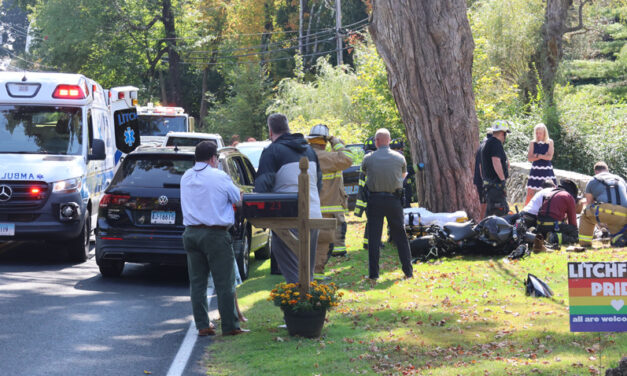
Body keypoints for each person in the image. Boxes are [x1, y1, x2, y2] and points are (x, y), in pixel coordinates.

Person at [180, 141, 248, 336]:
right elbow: (237, 199)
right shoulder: (219, 176)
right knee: (224, 281)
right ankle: (230, 325)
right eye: (216, 159)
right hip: (215, 233)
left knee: (197, 282)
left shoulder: (186, 176)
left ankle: (202, 324)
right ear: (212, 158)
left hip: (191, 232)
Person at [255, 113, 322, 284]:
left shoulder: (272, 151)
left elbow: (263, 187)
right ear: (288, 128)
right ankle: (310, 304)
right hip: (314, 214)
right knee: (307, 268)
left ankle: (299, 307)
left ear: (270, 131)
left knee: (293, 270)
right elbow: (319, 185)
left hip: (288, 216)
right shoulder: (310, 151)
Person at [360, 128, 413, 282]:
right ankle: (408, 271)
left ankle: (374, 274)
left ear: (376, 141)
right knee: (401, 237)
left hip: (374, 200)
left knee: (374, 238)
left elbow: (365, 173)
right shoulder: (399, 158)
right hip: (393, 200)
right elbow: (403, 176)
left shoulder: (368, 158)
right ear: (389, 141)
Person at [306, 124, 353, 280]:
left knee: (314, 243)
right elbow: (348, 158)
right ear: (323, 141)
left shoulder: (306, 155)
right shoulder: (324, 157)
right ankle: (317, 277)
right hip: (324, 210)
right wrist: (335, 141)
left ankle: (313, 275)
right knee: (322, 243)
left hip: (313, 207)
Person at [578, 162, 627, 247]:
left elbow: (589, 204)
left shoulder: (593, 180)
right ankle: (617, 240)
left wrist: (599, 222)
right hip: (623, 213)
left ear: (596, 171)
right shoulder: (620, 179)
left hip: (605, 211)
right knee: (615, 223)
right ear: (607, 170)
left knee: (585, 214)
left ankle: (585, 243)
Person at [536, 178, 579, 245]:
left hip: (540, 225)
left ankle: (544, 235)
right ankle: (554, 237)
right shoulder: (568, 196)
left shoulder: (550, 193)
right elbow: (573, 222)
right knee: (576, 234)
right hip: (553, 226)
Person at [481, 120, 511, 216]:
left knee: (491, 212)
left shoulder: (487, 143)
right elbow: (496, 161)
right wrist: (502, 180)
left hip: (489, 185)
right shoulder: (496, 144)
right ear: (503, 133)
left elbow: (481, 166)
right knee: (500, 212)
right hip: (495, 185)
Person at [524, 123, 557, 206]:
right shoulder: (532, 143)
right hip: (535, 169)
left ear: (544, 133)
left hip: (546, 170)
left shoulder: (550, 142)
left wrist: (537, 155)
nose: (538, 135)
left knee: (550, 192)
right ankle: (525, 212)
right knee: (530, 193)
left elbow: (549, 157)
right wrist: (543, 156)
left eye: (540, 133)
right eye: (536, 133)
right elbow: (530, 158)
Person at [474, 130, 492, 219]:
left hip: (482, 179)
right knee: (484, 204)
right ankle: (481, 224)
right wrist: (485, 181)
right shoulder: (486, 146)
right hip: (484, 180)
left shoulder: (483, 145)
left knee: (485, 204)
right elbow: (481, 165)